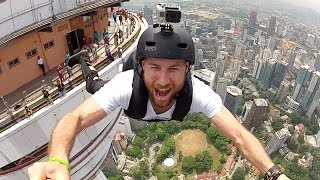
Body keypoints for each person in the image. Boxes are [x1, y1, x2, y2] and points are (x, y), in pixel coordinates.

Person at [28, 25, 290, 180]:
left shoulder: (197, 92)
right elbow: (74, 119)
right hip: (125, 97)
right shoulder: (125, 85)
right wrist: (58, 161)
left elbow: (240, 136)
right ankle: (83, 61)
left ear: (187, 70)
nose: (163, 81)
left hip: (138, 102)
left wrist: (274, 174)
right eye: (155, 67)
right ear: (141, 66)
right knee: (94, 85)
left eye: (174, 69)